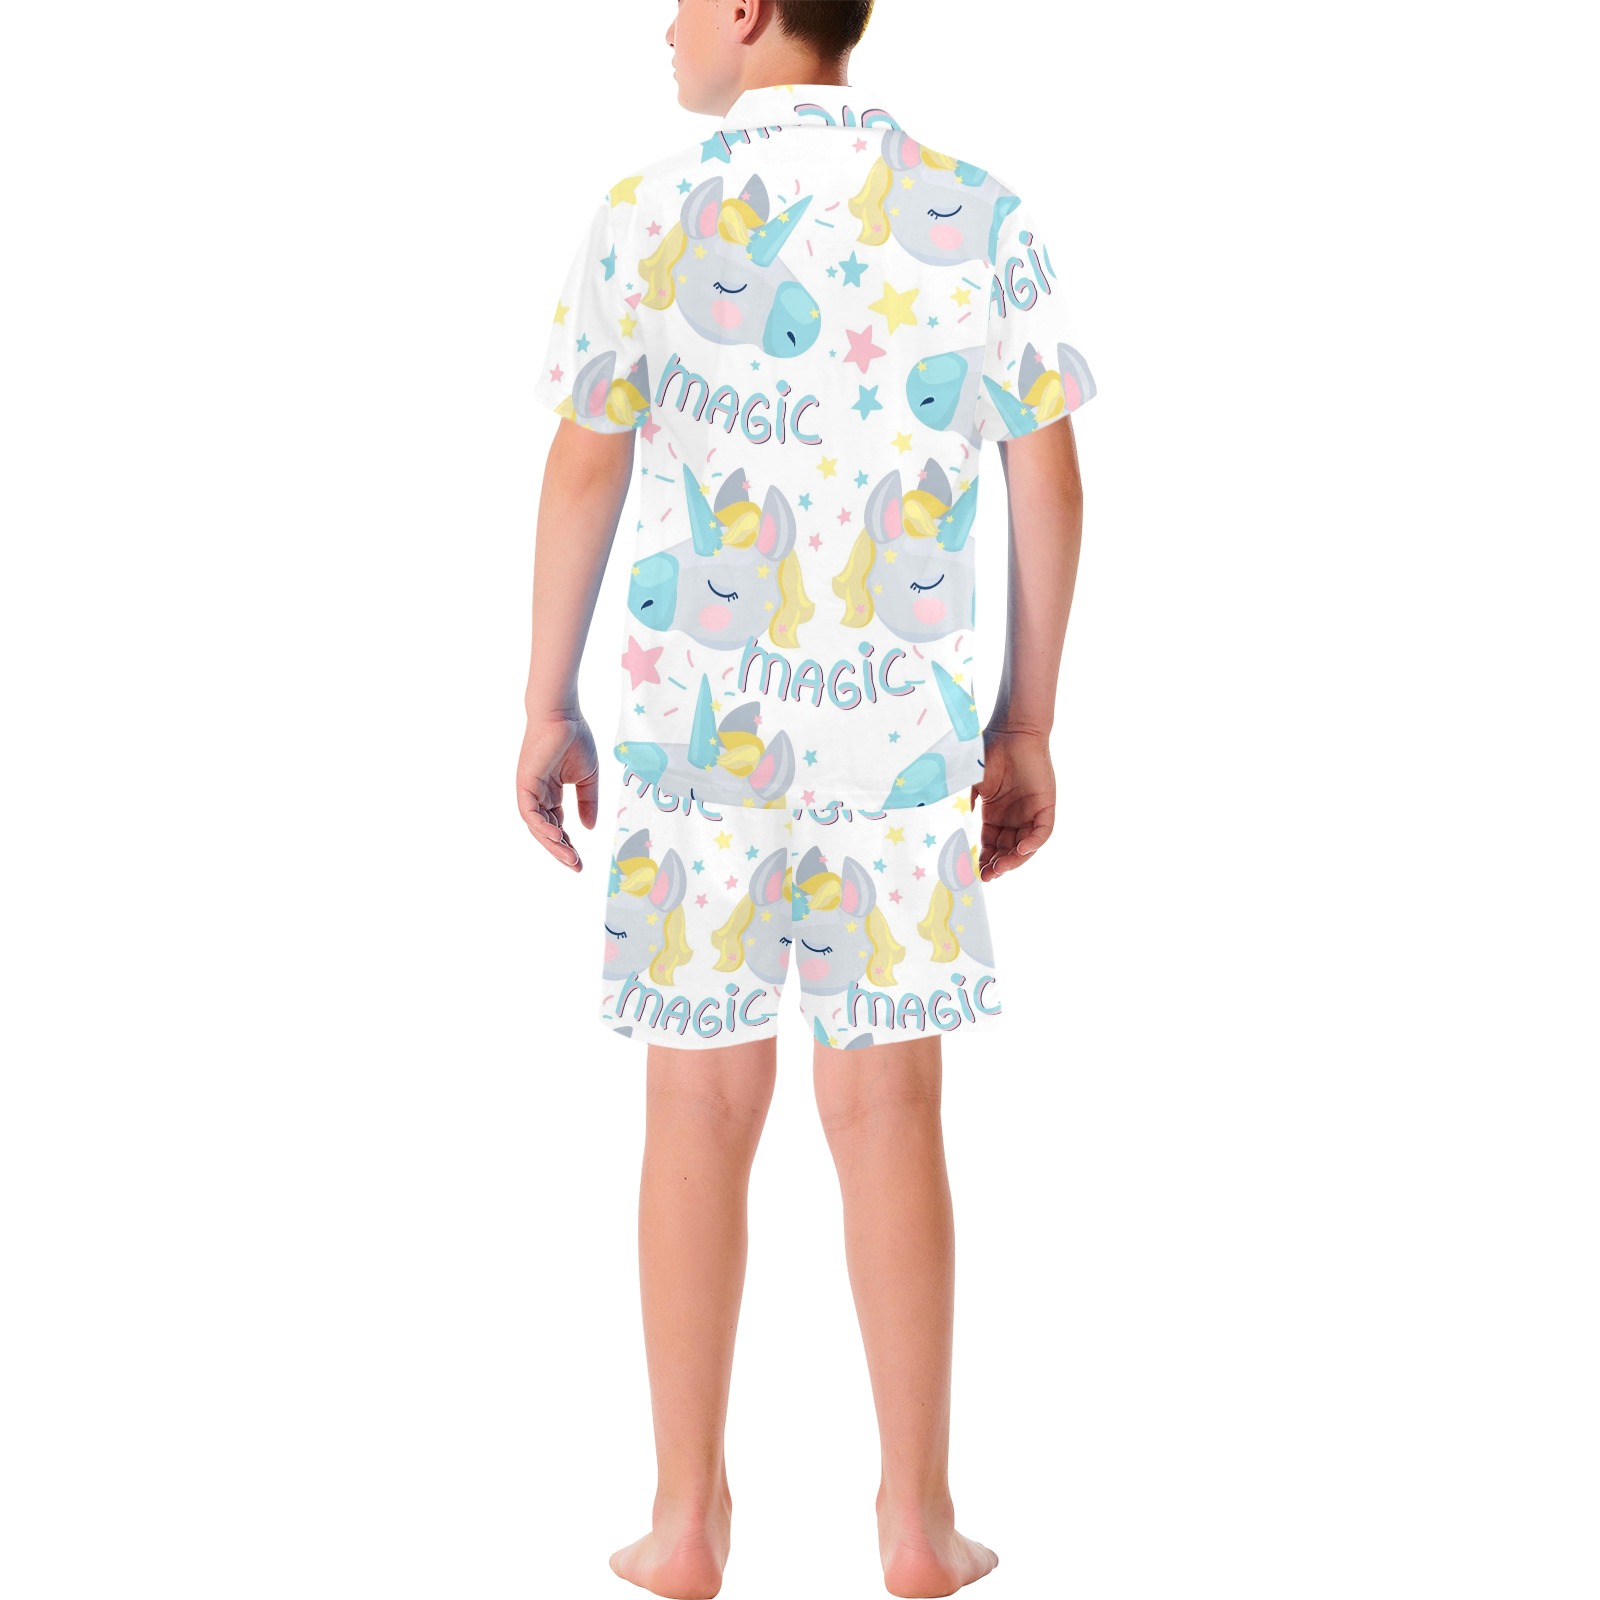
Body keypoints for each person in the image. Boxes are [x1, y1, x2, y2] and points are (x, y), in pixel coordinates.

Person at [517, 2, 1093, 1594]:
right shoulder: (974, 210)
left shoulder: (646, 215)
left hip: (695, 739)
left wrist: (546, 697)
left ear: (752, 7)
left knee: (696, 1111)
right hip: (896, 742)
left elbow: (586, 465)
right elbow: (1048, 477)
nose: (663, 25)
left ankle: (686, 1520)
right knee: (888, 1112)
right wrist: (1027, 720)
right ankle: (916, 1520)